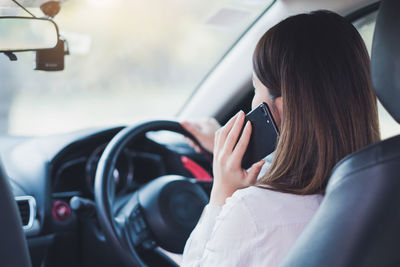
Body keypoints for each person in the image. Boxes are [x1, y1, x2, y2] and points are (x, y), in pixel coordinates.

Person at [180, 10, 380, 266]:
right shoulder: (383, 187)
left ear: (285, 108)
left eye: (255, 88)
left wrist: (222, 194)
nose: (252, 101)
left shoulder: (252, 211)